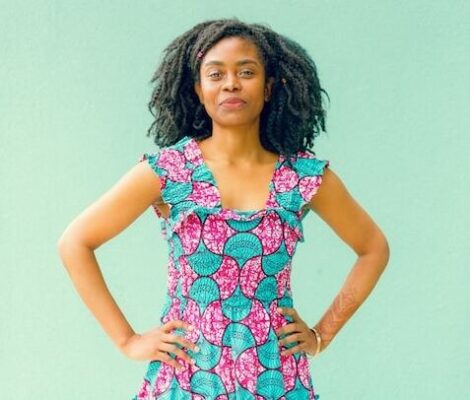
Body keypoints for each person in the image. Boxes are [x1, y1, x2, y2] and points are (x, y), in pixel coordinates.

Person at [58, 18, 390, 400]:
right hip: (186, 377)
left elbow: (373, 248)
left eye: (246, 72)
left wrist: (321, 335)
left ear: (268, 88)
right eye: (216, 74)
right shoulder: (167, 172)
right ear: (199, 89)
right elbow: (75, 243)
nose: (231, 83)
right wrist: (127, 340)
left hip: (278, 378)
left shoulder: (303, 177)